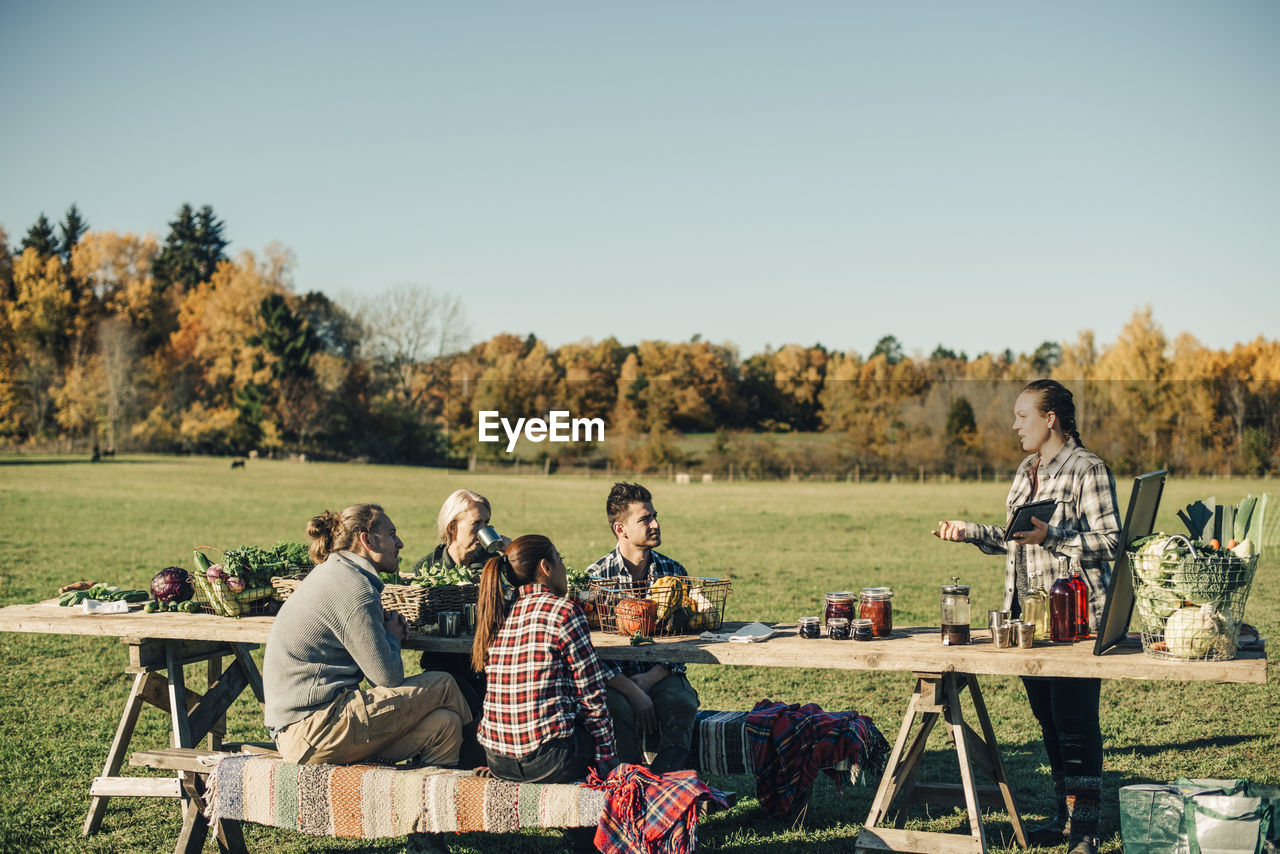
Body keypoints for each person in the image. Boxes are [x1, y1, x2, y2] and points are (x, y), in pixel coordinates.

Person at [934, 379, 1121, 854]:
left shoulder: (1088, 469)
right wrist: (969, 531)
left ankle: (1086, 830)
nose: (1015, 425)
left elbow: (1113, 541)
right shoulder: (1026, 468)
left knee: (1075, 721)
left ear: (1050, 417)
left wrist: (1054, 536)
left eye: (1023, 416)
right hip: (1028, 623)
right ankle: (1063, 818)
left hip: (1076, 622)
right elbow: (1018, 535)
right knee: (1048, 721)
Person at [263, 503, 472, 769]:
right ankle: (491, 763)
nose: (400, 543)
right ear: (367, 540)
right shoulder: (354, 589)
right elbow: (387, 678)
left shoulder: (336, 573)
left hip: (305, 734)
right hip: (316, 729)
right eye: (392, 534)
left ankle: (431, 800)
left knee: (445, 725)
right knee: (443, 684)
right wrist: (393, 638)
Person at [472, 534, 619, 784]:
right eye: (560, 560)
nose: (564, 569)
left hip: (498, 761)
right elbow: (592, 696)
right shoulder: (564, 612)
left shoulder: (499, 613)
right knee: (611, 708)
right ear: (545, 567)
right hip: (549, 762)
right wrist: (607, 759)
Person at [588, 482, 700, 774]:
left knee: (680, 706)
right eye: (645, 519)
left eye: (654, 515)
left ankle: (666, 784)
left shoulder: (674, 572)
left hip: (663, 673)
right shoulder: (595, 579)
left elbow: (685, 639)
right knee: (617, 711)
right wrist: (632, 690)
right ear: (620, 529)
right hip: (615, 679)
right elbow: (588, 650)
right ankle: (629, 786)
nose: (656, 524)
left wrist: (651, 678)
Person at [406, 489, 495, 581]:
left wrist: (507, 553)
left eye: (486, 522)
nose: (484, 529)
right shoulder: (426, 568)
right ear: (452, 528)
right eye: (476, 523)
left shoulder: (492, 561)